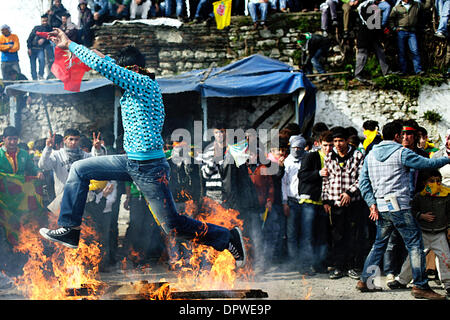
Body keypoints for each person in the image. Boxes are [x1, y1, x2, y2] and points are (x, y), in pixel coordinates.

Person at [39, 28, 247, 268]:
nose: (118, 77)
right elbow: (105, 62)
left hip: (149, 168)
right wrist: (84, 49)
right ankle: (70, 229)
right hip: (131, 162)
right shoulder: (135, 83)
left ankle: (227, 237)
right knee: (79, 169)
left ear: (134, 70)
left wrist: (71, 46)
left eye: (122, 71)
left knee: (173, 226)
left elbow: (107, 68)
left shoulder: (142, 83)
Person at [357, 120, 449, 300]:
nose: (404, 137)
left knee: (379, 245)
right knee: (415, 245)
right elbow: (427, 164)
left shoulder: (371, 154)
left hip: (382, 206)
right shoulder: (401, 152)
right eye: (402, 134)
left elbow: (363, 182)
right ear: (397, 136)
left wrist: (371, 203)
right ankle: (421, 286)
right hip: (400, 206)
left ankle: (365, 280)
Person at [387, 170, 450, 298]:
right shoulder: (419, 197)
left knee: (446, 258)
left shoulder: (446, 196)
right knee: (413, 258)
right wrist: (421, 216)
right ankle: (402, 280)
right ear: (424, 183)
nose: (436, 184)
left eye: (438, 181)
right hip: (423, 233)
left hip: (439, 233)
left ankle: (448, 283)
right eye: (431, 181)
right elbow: (412, 210)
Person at [322, 126, 366, 280]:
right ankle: (339, 267)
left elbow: (362, 178)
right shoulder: (329, 157)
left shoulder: (357, 155)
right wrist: (325, 200)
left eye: (341, 140)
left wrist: (349, 192)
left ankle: (352, 266)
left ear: (347, 140)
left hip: (353, 202)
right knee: (337, 236)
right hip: (335, 203)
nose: (338, 144)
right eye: (335, 141)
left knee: (353, 235)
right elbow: (326, 180)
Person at [38, 129, 105, 213]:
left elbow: (98, 165)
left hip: (84, 200)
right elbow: (43, 165)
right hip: (63, 200)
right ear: (65, 140)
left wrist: (98, 150)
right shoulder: (57, 155)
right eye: (71, 139)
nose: (73, 142)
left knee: (84, 225)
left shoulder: (85, 156)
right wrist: (48, 148)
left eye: (76, 139)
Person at [297, 130, 334, 273]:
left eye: (331, 145)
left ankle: (319, 264)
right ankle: (305, 265)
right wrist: (318, 173)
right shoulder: (311, 156)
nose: (328, 148)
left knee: (323, 236)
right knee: (308, 236)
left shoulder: (334, 158)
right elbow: (302, 175)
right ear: (319, 144)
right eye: (325, 145)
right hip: (310, 202)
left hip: (325, 202)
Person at [281, 134, 307, 271]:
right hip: (291, 201)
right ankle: (294, 262)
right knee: (291, 234)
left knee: (305, 233)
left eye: (299, 148)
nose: (297, 150)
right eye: (294, 147)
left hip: (305, 201)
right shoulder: (287, 162)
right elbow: (283, 184)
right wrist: (284, 202)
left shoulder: (307, 160)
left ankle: (304, 261)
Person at [388, 0, 431, 75]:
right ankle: (403, 70)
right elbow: (391, 19)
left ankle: (418, 70)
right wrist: (394, 28)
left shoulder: (416, 5)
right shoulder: (397, 7)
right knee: (401, 51)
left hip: (412, 31)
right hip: (401, 31)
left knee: (415, 50)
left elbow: (426, 8)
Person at [354, 0, 390, 82]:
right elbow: (370, 24)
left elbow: (375, 25)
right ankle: (358, 74)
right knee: (362, 55)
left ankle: (386, 72)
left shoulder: (371, 7)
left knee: (380, 52)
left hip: (373, 36)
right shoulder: (368, 7)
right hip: (365, 35)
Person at [27, 15, 53, 81]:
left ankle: (40, 75)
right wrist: (29, 48)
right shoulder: (37, 28)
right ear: (41, 21)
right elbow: (30, 38)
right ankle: (34, 78)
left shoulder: (49, 29)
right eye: (43, 21)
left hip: (40, 49)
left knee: (42, 61)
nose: (44, 22)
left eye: (46, 21)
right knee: (33, 64)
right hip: (33, 48)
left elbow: (51, 37)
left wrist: (44, 39)